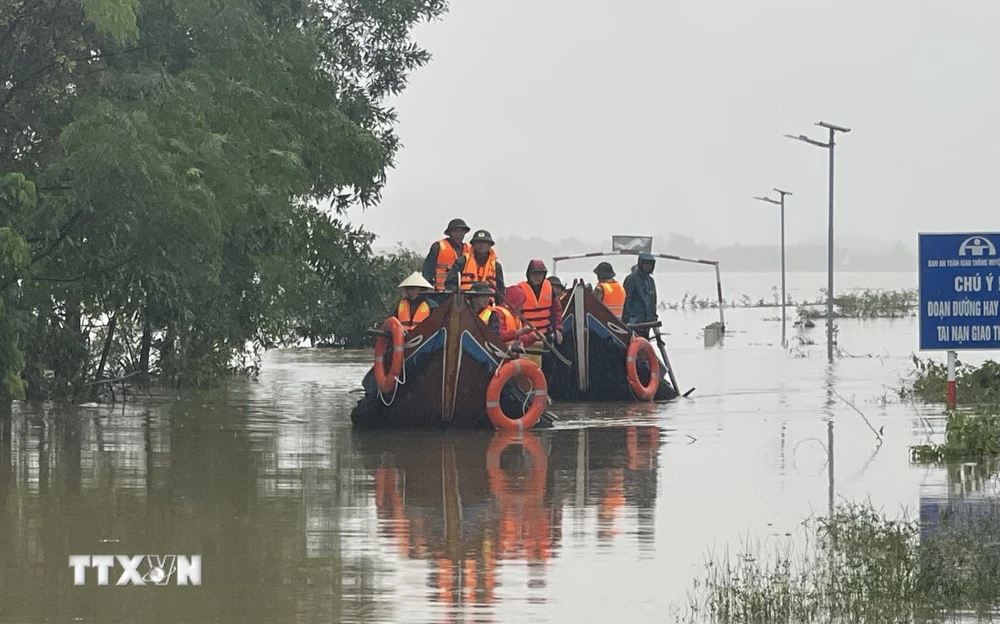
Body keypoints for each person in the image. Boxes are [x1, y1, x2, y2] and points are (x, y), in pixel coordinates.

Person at [445, 229, 505, 302]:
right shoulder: (462, 261)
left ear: (490, 245)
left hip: (488, 305)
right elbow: (450, 283)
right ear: (473, 245)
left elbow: (500, 290)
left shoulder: (496, 266)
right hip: (465, 303)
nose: (481, 245)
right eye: (478, 243)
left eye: (484, 243)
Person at [516, 260, 563, 345]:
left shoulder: (549, 289)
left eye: (540, 274)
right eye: (534, 274)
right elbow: (514, 313)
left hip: (546, 335)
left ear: (544, 275)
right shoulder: (520, 290)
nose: (537, 277)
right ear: (529, 275)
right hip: (527, 336)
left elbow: (557, 310)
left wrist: (558, 329)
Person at [478, 283, 535, 348]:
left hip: (510, 354)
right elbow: (497, 337)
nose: (522, 307)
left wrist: (533, 337)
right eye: (520, 303)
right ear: (514, 302)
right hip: (498, 354)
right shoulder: (498, 313)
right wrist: (519, 332)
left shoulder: (516, 317)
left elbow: (518, 340)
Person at [421, 218, 471, 291]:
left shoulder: (469, 250)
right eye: (455, 231)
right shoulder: (438, 247)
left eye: (461, 232)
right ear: (449, 233)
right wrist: (428, 289)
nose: (459, 234)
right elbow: (427, 271)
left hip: (465, 293)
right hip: (441, 293)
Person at [622, 252, 658, 339]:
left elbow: (653, 301)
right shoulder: (631, 279)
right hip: (634, 321)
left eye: (650, 264)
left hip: (647, 321)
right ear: (640, 264)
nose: (647, 266)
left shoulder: (650, 281)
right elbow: (626, 300)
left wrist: (654, 317)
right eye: (645, 263)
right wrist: (628, 318)